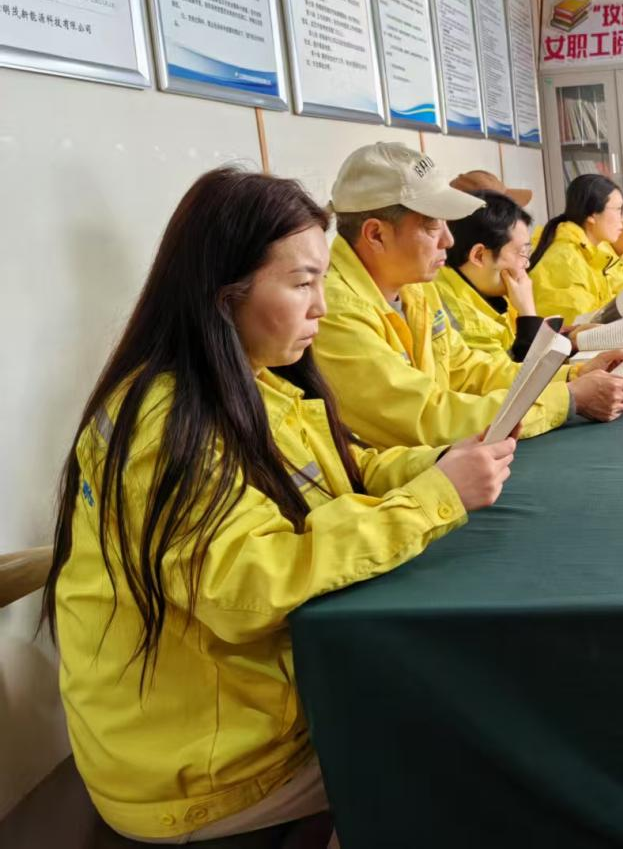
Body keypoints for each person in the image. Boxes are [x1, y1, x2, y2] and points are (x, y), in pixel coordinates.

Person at [43, 168, 515, 844]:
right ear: (224, 293)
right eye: (301, 284)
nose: (322, 307)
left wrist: (439, 466)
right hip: (204, 769)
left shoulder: (251, 380)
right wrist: (434, 499)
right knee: (467, 744)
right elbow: (246, 586)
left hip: (244, 713)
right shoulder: (166, 421)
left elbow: (342, 473)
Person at [314, 144, 623, 448]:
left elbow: (468, 370)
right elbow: (426, 417)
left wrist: (572, 375)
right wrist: (567, 398)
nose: (448, 240)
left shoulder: (414, 286)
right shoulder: (332, 313)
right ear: (375, 234)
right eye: (432, 226)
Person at [530, 173, 623, 325]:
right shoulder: (564, 261)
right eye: (618, 210)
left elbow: (607, 297)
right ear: (592, 215)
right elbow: (576, 327)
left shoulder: (598, 249)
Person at [435, 189, 552, 363]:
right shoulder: (464, 319)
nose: (527, 264)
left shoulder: (488, 290)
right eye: (522, 252)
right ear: (479, 256)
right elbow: (522, 376)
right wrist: (528, 314)